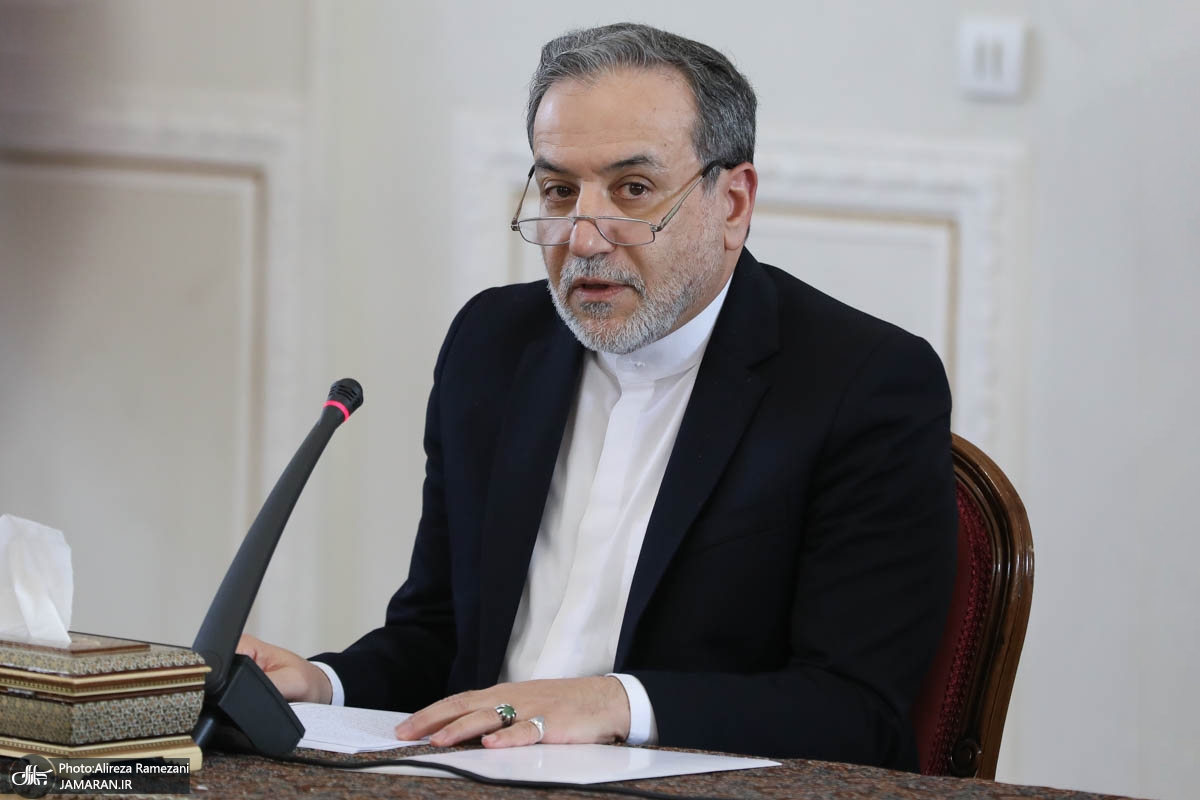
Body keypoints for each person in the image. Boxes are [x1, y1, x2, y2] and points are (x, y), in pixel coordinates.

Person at [239, 22, 957, 769]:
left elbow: (855, 712)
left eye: (632, 190)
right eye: (558, 191)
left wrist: (615, 704)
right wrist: (323, 684)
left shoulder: (862, 382)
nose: (582, 238)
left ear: (733, 203)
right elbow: (441, 638)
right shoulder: (492, 345)